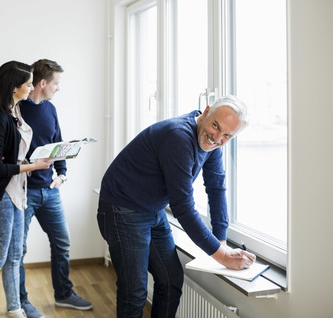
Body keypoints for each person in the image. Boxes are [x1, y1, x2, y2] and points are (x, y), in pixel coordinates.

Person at [97, 96, 257, 318]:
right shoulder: (178, 137)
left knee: (171, 280)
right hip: (122, 208)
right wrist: (222, 256)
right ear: (207, 111)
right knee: (134, 292)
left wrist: (221, 242)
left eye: (227, 136)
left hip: (152, 209)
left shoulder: (214, 142)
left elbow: (216, 189)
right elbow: (182, 207)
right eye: (216, 126)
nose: (217, 138)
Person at [0, 59, 93, 318]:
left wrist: (61, 173)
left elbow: (55, 143)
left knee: (29, 250)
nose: (30, 89)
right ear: (21, 86)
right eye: (27, 84)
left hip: (36, 190)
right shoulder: (7, 111)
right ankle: (3, 307)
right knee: (3, 257)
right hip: (10, 191)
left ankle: (27, 304)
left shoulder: (35, 109)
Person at [0, 61, 52, 318]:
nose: (32, 87)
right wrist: (32, 167)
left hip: (17, 192)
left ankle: (15, 308)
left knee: (15, 256)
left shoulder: (15, 110)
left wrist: (35, 162)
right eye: (28, 84)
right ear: (14, 88)